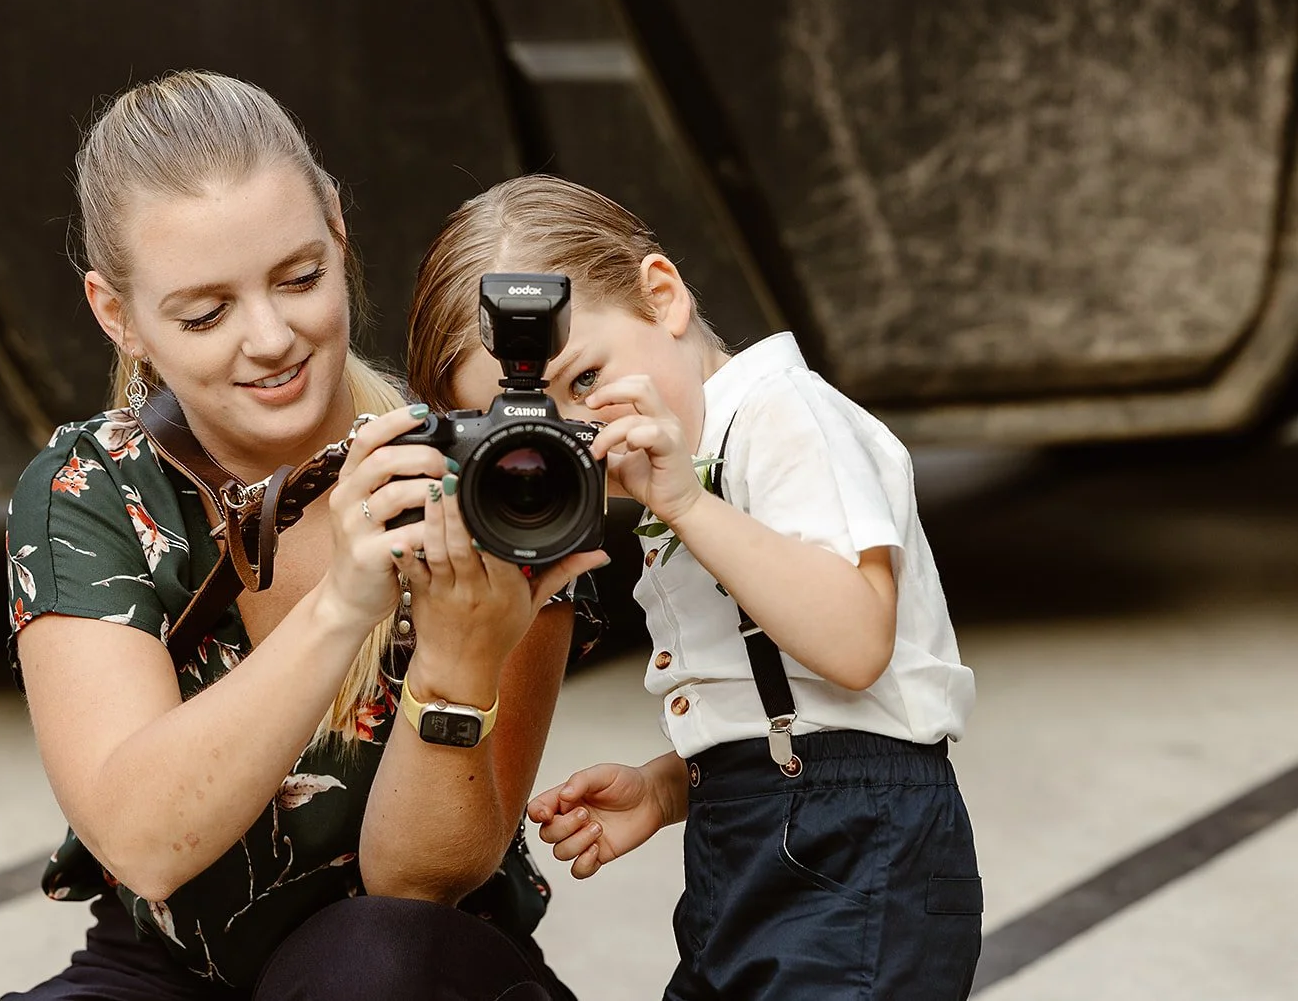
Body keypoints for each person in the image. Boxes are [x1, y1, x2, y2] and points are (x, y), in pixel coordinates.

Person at [2, 73, 607, 1001]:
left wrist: (456, 657)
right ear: (115, 313)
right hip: (168, 969)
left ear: (338, 226)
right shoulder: (93, 488)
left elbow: (423, 883)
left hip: (413, 968)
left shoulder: (497, 475)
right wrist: (341, 607)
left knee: (367, 966)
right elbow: (145, 844)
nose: (272, 337)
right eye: (205, 313)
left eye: (300, 277)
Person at [405, 173, 982, 999]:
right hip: (748, 844)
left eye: (584, 378)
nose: (580, 427)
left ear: (663, 295)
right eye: (529, 422)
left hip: (859, 857)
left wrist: (685, 502)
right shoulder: (678, 473)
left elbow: (855, 646)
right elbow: (797, 711)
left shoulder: (784, 415)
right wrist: (669, 786)